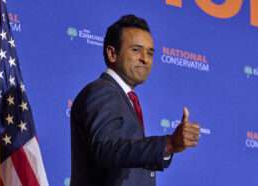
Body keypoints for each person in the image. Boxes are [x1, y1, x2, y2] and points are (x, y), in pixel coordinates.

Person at [70, 14, 200, 186]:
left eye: (150, 53)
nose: (145, 59)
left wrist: (168, 148)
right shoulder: (102, 91)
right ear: (112, 53)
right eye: (136, 50)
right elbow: (107, 149)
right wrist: (168, 144)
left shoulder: (123, 97)